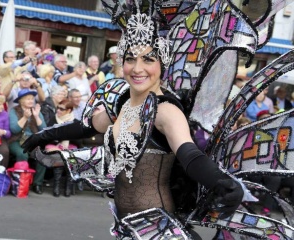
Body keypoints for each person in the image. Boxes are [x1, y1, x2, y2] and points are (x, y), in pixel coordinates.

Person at [21, 3, 244, 238]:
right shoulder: (124, 103)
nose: (137, 68)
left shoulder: (166, 110)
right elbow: (88, 126)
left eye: (148, 59)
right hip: (126, 225)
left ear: (162, 64)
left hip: (157, 231)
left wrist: (221, 181)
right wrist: (45, 134)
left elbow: (189, 154)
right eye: (130, 59)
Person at [35, 99, 76, 197]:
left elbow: (77, 139)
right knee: (58, 154)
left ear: (69, 110)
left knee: (72, 158)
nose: (58, 110)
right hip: (53, 145)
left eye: (62, 109)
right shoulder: (54, 119)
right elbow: (49, 136)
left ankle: (68, 186)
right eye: (58, 108)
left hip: (69, 146)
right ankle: (56, 186)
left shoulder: (74, 121)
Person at [9, 89, 46, 194]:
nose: (31, 101)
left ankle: (37, 184)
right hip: (17, 140)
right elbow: (14, 129)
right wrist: (25, 117)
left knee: (42, 154)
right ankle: (21, 182)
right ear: (21, 101)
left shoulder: (35, 110)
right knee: (22, 154)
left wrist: (37, 116)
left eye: (32, 99)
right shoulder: (14, 111)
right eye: (28, 99)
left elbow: (44, 130)